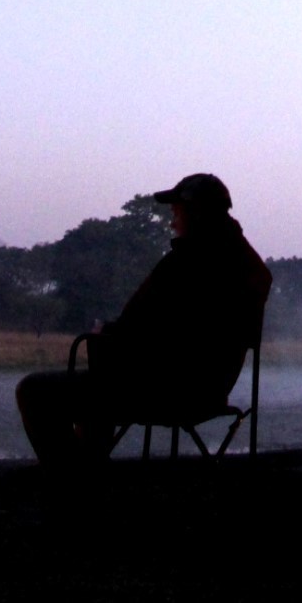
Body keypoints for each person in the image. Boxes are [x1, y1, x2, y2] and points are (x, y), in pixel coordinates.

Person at [16, 173, 272, 466]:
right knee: (104, 373)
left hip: (165, 390)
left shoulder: (187, 263)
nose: (172, 222)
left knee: (35, 391)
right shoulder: (248, 267)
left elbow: (139, 327)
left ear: (196, 212)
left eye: (176, 213)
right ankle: (89, 470)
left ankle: (75, 480)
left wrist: (104, 332)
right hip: (210, 391)